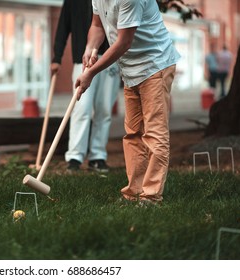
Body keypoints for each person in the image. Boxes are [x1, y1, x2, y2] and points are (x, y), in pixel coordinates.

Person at [75, 0, 180, 203]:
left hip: (155, 64)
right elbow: (97, 25)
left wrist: (91, 73)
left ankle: (151, 196)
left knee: (154, 133)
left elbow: (124, 42)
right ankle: (134, 192)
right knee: (133, 133)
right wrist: (90, 47)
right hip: (131, 69)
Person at [51, 0, 120, 173]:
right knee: (81, 107)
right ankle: (75, 157)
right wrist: (57, 57)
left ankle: (97, 156)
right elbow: (62, 27)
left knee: (104, 109)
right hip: (82, 59)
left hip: (110, 59)